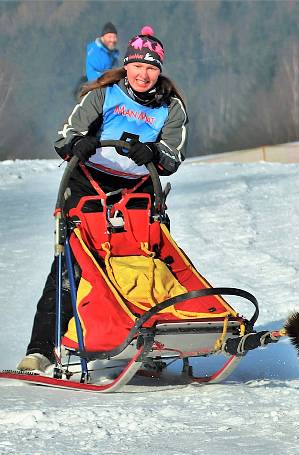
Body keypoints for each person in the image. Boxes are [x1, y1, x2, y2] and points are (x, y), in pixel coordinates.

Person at [17, 29, 188, 372]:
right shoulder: (103, 95)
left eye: (151, 68)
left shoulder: (171, 106)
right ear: (126, 66)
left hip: (137, 192)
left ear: (160, 71)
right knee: (71, 267)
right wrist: (77, 144)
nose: (143, 74)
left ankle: (151, 342)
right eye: (137, 66)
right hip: (87, 187)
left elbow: (172, 156)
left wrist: (152, 151)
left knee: (145, 264)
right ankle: (42, 349)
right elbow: (66, 136)